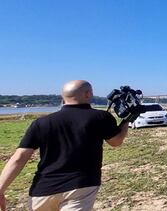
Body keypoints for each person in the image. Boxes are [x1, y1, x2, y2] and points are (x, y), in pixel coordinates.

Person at [0, 80, 129, 211]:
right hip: (80, 186)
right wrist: (127, 120)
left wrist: (1, 189)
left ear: (63, 96)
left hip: (42, 190)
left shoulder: (41, 123)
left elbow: (19, 158)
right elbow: (116, 142)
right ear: (88, 94)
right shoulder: (100, 117)